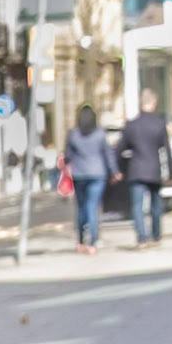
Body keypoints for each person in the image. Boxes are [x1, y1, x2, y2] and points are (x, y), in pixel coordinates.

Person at [116, 89, 172, 247]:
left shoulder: (132, 125)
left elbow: (119, 149)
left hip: (136, 170)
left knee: (137, 206)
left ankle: (142, 237)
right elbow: (166, 150)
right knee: (156, 204)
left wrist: (117, 169)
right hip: (154, 169)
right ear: (153, 103)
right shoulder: (159, 124)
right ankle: (156, 235)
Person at [62, 106, 116, 253]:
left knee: (81, 209)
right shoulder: (99, 134)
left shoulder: (73, 135)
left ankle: (80, 241)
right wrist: (114, 171)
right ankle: (93, 243)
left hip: (79, 175)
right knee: (93, 207)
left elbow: (67, 156)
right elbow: (107, 154)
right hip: (98, 175)